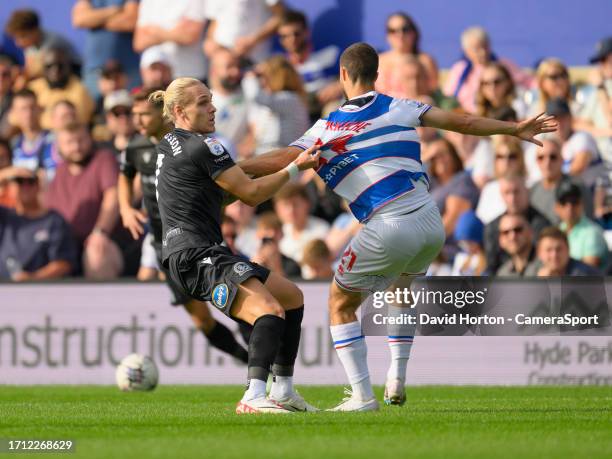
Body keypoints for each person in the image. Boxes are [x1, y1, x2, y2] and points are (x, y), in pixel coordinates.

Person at [238, 42, 556, 410]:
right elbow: (463, 122)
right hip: (430, 223)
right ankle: (397, 378)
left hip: (389, 223)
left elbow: (281, 158)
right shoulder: (400, 107)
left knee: (339, 303)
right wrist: (514, 128)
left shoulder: (328, 127)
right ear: (377, 75)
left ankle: (361, 396)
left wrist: (235, 170)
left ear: (342, 75)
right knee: (399, 290)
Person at [152, 77, 321, 413]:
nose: (212, 107)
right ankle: (254, 396)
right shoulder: (205, 146)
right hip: (197, 253)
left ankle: (283, 390)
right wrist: (294, 170)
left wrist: (285, 159)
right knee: (269, 311)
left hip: (189, 253)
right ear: (178, 110)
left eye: (211, 99)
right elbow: (253, 194)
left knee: (291, 297)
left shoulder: (170, 146)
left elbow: (226, 190)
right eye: (202, 102)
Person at [118, 87, 252, 367]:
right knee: (201, 320)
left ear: (164, 114)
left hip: (199, 236)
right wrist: (125, 208)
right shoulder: (136, 147)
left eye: (144, 114)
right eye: (135, 115)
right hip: (163, 245)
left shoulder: (184, 145)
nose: (139, 121)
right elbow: (125, 173)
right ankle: (244, 359)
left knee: (237, 304)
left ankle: (260, 362)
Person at [45, 122, 123, 279]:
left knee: (96, 252)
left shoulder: (103, 159)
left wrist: (100, 232)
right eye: (69, 142)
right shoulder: (60, 171)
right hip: (68, 247)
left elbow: (113, 197)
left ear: (90, 139)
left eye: (81, 140)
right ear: (59, 147)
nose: (76, 147)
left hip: (106, 241)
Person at [0, 167, 76, 280]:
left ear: (38, 186)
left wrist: (32, 278)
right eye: (19, 181)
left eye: (31, 182)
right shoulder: (4, 216)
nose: (25, 187)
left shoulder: (54, 221)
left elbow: (64, 263)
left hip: (40, 291)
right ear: (9, 187)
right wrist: (5, 173)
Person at [444, 26, 532, 113]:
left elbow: (530, 83)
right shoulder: (460, 69)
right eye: (477, 48)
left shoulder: (503, 65)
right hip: (466, 120)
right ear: (466, 51)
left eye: (485, 46)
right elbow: (449, 97)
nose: (483, 52)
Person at [277, 9, 342, 119]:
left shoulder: (331, 53)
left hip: (328, 108)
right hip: (298, 116)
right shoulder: (279, 66)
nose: (292, 39)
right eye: (285, 36)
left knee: (333, 110)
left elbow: (359, 73)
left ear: (307, 32)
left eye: (296, 34)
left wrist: (340, 86)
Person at [71, 0, 140, 98]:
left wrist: (95, 21)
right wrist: (115, 11)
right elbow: (80, 20)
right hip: (94, 71)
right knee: (95, 111)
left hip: (128, 71)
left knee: (130, 109)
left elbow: (131, 21)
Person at [484, 174, 551, 273]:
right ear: (501, 195)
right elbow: (492, 266)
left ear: (527, 191)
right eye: (507, 193)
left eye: (516, 192)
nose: (512, 198)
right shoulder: (492, 228)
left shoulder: (543, 225)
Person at [247, 55, 310, 156]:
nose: (262, 80)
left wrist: (250, 77)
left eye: (263, 75)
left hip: (284, 156)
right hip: (270, 154)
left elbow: (256, 96)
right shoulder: (277, 100)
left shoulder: (291, 99)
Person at [133, 0, 208, 80]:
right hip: (157, 78)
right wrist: (176, 32)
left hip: (189, 78)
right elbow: (139, 42)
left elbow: (190, 36)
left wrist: (155, 32)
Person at [4, 9, 81, 81]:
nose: (18, 43)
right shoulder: (30, 47)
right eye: (16, 38)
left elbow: (39, 71)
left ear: (35, 31)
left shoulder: (53, 44)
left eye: (22, 36)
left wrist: (20, 73)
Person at [28, 47, 94, 129]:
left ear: (69, 67)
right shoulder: (33, 87)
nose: (55, 71)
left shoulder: (79, 91)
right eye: (49, 66)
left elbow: (76, 126)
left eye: (60, 66)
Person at [529, 138, 592, 225]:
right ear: (536, 161)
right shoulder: (532, 190)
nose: (547, 162)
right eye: (541, 158)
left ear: (562, 159)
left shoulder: (576, 186)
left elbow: (589, 219)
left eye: (553, 157)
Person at [377, 12, 438, 98]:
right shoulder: (378, 61)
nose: (399, 35)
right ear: (387, 35)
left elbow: (433, 93)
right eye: (393, 31)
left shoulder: (425, 61)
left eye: (404, 29)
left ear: (414, 33)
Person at [204, 0, 285, 63]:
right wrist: (210, 41)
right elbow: (214, 21)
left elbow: (281, 16)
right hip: (222, 61)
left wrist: (252, 41)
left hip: (255, 60)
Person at [554, 180, 608, 270]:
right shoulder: (558, 230)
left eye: (574, 202)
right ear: (556, 207)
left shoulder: (592, 232)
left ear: (581, 204)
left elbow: (587, 272)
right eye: (564, 203)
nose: (569, 207)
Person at [8, 89, 58, 182]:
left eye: (32, 107)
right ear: (14, 112)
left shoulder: (56, 140)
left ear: (40, 109)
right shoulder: (12, 145)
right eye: (23, 109)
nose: (28, 114)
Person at [273, 182, 330, 264]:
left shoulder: (321, 229)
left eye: (295, 204)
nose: (291, 210)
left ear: (307, 204)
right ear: (277, 209)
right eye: (286, 205)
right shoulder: (277, 233)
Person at [475, 136, 526, 224]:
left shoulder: (530, 185)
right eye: (500, 156)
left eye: (512, 156)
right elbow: (481, 219)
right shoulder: (489, 189)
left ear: (521, 159)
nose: (506, 161)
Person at [208, 48, 249, 153]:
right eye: (229, 67)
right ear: (214, 70)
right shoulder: (203, 101)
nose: (236, 72)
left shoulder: (248, 94)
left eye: (237, 67)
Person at [579, 37, 612, 162]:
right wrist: (600, 132)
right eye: (600, 61)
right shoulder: (599, 88)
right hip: (601, 160)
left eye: (605, 59)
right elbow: (578, 123)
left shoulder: (600, 87)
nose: (601, 66)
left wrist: (600, 87)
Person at [529, 226, 601, 276]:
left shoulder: (584, 275)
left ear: (568, 249)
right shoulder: (531, 273)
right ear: (539, 253)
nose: (554, 255)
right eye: (549, 250)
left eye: (559, 249)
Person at [251, 211, 301, 278]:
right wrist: (253, 267)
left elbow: (288, 287)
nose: (272, 234)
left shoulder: (292, 265)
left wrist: (275, 266)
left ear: (282, 234)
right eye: (266, 229)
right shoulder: (247, 262)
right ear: (258, 234)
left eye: (276, 230)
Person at [450, 210, 487, 276]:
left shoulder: (488, 259)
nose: (466, 246)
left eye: (469, 242)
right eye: (462, 243)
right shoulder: (460, 258)